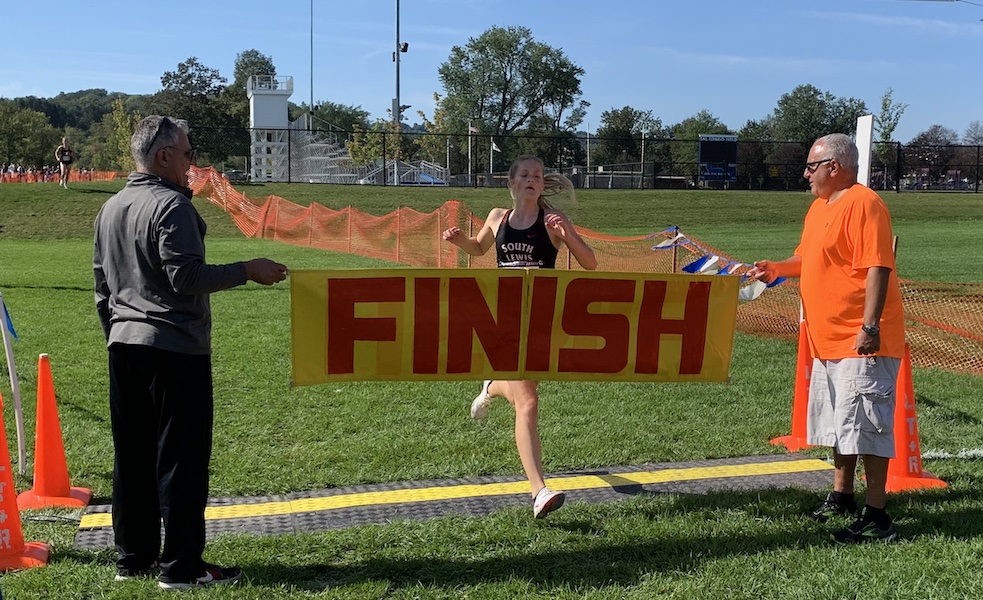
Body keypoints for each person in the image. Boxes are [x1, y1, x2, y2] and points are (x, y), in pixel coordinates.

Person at [93, 115, 289, 589]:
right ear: (163, 157)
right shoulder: (171, 206)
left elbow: (102, 287)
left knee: (133, 456)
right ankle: (181, 567)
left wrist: (119, 332)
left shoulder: (111, 207)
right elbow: (185, 278)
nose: (192, 163)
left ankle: (133, 557)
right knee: (180, 457)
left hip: (124, 345)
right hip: (174, 349)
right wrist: (247, 268)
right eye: (186, 153)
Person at [747, 133, 905, 544]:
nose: (806, 174)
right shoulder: (819, 208)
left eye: (811, 166)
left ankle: (878, 515)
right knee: (841, 426)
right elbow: (808, 259)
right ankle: (842, 496)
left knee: (867, 427)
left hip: (860, 339)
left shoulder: (864, 203)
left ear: (834, 167)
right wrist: (775, 269)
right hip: (826, 339)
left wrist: (869, 327)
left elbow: (878, 266)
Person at [442, 155, 597, 518]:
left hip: (541, 320)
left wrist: (570, 234)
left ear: (542, 186)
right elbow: (480, 249)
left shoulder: (554, 223)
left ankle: (490, 386)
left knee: (524, 395)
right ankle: (538, 490)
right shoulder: (498, 217)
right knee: (527, 401)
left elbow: (590, 264)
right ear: (511, 183)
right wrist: (460, 240)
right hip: (503, 319)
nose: (532, 179)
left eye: (538, 176)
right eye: (524, 174)